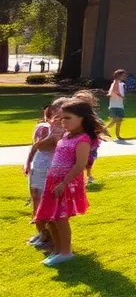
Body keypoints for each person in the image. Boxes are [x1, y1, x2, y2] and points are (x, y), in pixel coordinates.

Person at [34, 97, 103, 267]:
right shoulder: (65, 135)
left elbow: (80, 165)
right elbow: (41, 147)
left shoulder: (83, 140)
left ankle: (66, 252)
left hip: (66, 182)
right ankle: (57, 250)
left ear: (82, 119)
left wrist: (64, 183)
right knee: (51, 217)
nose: (63, 122)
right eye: (61, 118)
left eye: (68, 118)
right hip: (53, 180)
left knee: (60, 218)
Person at [24, 104, 60, 252]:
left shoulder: (65, 131)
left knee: (47, 203)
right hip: (39, 167)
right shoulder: (43, 128)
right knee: (36, 200)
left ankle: (49, 236)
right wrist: (28, 161)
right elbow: (37, 146)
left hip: (53, 169)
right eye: (54, 116)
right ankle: (42, 234)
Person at [106, 70, 128, 142]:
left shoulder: (120, 83)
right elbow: (115, 91)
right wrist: (121, 96)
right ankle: (103, 129)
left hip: (118, 104)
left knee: (118, 121)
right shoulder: (116, 82)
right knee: (116, 120)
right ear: (119, 75)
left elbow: (111, 92)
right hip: (115, 104)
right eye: (123, 75)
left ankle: (118, 135)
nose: (124, 76)